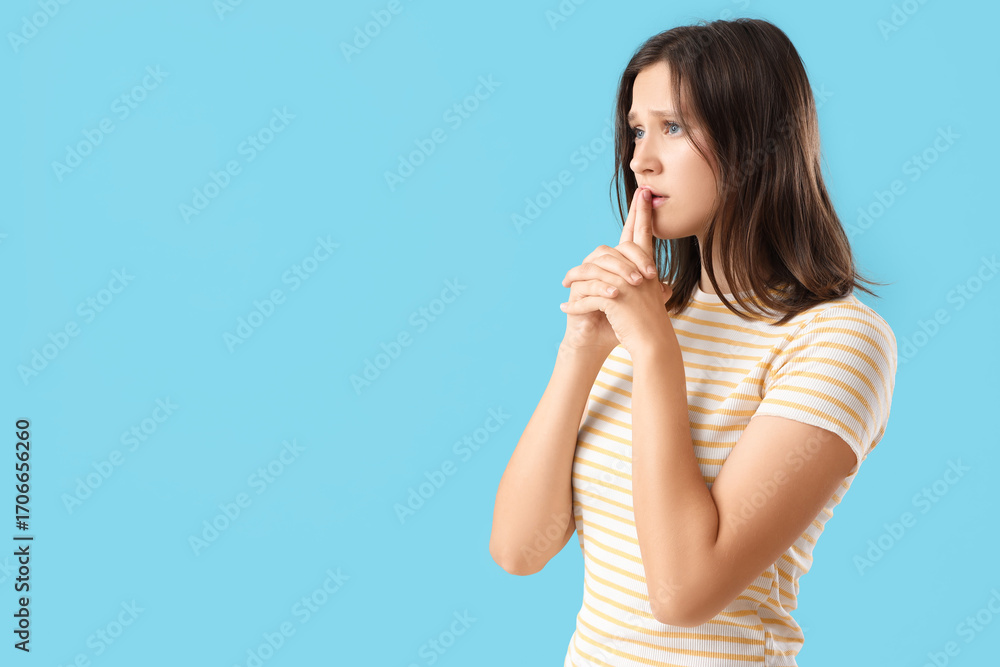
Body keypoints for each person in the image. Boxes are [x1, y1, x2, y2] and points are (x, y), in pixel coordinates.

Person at [489, 17, 898, 667]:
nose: (639, 160)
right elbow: (519, 549)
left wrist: (655, 352)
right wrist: (582, 349)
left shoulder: (838, 341)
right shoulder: (649, 314)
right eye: (636, 130)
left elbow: (683, 592)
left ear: (755, 140)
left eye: (673, 127)